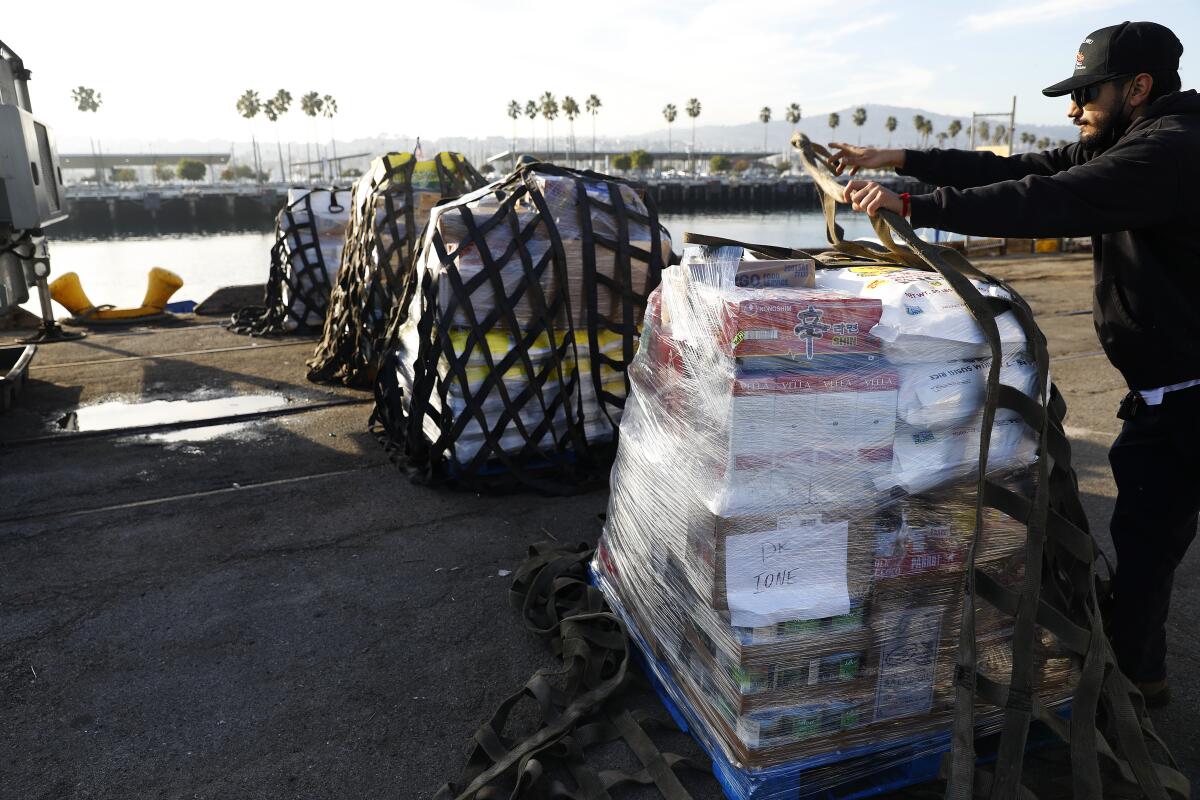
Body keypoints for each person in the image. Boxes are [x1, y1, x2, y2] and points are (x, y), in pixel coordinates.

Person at [826, 20, 1199, 707]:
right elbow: (1017, 171)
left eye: (1088, 91)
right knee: (1147, 536)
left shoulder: (1169, 152)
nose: (1073, 106)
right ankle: (1135, 675)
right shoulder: (1133, 139)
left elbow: (1053, 200)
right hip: (1166, 388)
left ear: (1138, 88)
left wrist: (917, 206)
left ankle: (1136, 694)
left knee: (1147, 547)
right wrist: (900, 159)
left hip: (1186, 394)